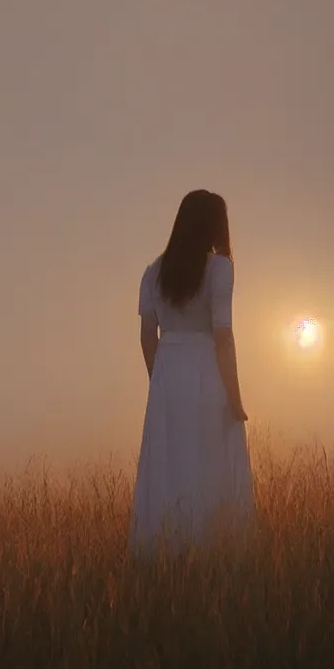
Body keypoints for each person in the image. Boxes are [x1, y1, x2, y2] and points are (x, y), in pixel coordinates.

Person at [130, 190, 256, 552]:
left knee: (170, 464)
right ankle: (215, 550)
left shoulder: (153, 271)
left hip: (168, 375)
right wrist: (234, 396)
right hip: (207, 372)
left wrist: (160, 384)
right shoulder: (220, 268)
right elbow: (223, 336)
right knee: (211, 460)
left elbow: (146, 336)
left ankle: (168, 551)